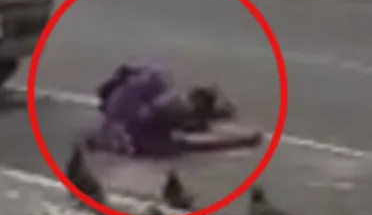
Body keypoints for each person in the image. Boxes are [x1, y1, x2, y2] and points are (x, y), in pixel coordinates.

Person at [86, 61, 256, 159]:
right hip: (142, 128)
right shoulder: (148, 79)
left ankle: (204, 115)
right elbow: (192, 144)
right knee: (176, 142)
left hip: (140, 125)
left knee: (177, 135)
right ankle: (204, 115)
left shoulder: (123, 108)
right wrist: (241, 140)